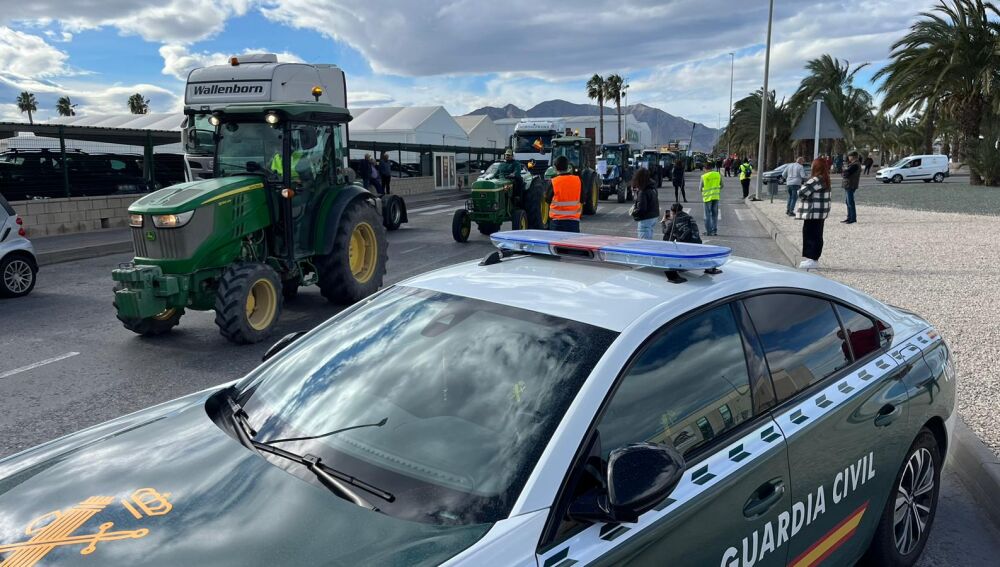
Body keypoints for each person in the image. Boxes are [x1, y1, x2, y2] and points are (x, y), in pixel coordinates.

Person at [796, 157, 832, 270]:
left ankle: (812, 259)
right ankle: (813, 258)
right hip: (820, 212)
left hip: (813, 212)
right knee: (817, 234)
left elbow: (802, 193)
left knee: (810, 234)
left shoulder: (816, 179)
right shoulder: (825, 179)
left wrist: (801, 188)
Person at [546, 155, 582, 232]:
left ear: (555, 168)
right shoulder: (578, 180)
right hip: (573, 222)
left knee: (557, 244)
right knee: (571, 243)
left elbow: (547, 200)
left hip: (557, 222)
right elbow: (583, 199)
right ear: (567, 166)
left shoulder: (553, 182)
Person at [631, 167, 659, 239]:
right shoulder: (652, 187)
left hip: (646, 218)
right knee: (649, 239)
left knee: (643, 244)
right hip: (654, 216)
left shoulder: (643, 191)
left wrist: (633, 212)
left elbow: (642, 209)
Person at [700, 160, 723, 236]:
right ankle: (714, 231)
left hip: (707, 198)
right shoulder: (718, 174)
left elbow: (700, 188)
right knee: (714, 215)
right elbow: (722, 185)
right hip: (716, 197)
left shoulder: (704, 176)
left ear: (705, 168)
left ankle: (709, 232)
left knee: (707, 215)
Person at [842, 151, 861, 224]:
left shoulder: (855, 165)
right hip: (849, 184)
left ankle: (852, 218)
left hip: (850, 184)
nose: (848, 158)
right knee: (848, 202)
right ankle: (849, 217)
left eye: (849, 156)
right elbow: (845, 173)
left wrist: (844, 171)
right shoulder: (853, 164)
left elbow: (846, 174)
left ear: (853, 157)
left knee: (850, 202)